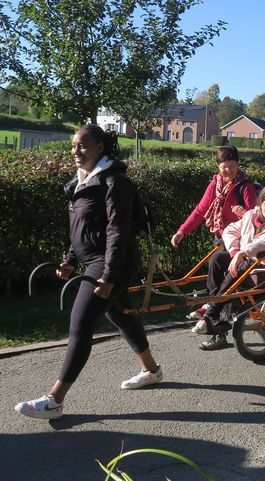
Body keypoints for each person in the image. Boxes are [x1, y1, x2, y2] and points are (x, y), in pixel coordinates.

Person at [15, 125, 162, 420]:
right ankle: (151, 370)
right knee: (119, 313)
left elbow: (116, 231)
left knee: (81, 323)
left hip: (111, 262)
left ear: (100, 148)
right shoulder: (83, 180)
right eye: (73, 146)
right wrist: (70, 259)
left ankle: (55, 400)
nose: (75, 151)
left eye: (82, 146)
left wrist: (109, 275)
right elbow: (81, 228)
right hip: (95, 260)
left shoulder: (114, 182)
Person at [198, 184, 265, 350]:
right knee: (217, 258)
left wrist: (243, 253)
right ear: (260, 204)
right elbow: (230, 230)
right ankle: (213, 305)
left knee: (240, 267)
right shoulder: (251, 216)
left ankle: (213, 310)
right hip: (248, 258)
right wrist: (234, 252)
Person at [170, 145, 258, 333]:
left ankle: (216, 321)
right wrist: (182, 231)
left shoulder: (245, 187)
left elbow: (257, 218)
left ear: (238, 165)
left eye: (232, 165)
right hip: (220, 238)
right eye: (224, 166)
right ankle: (212, 308)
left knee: (225, 276)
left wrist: (245, 214)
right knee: (215, 269)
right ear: (217, 165)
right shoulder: (215, 185)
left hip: (238, 240)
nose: (229, 170)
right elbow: (200, 210)